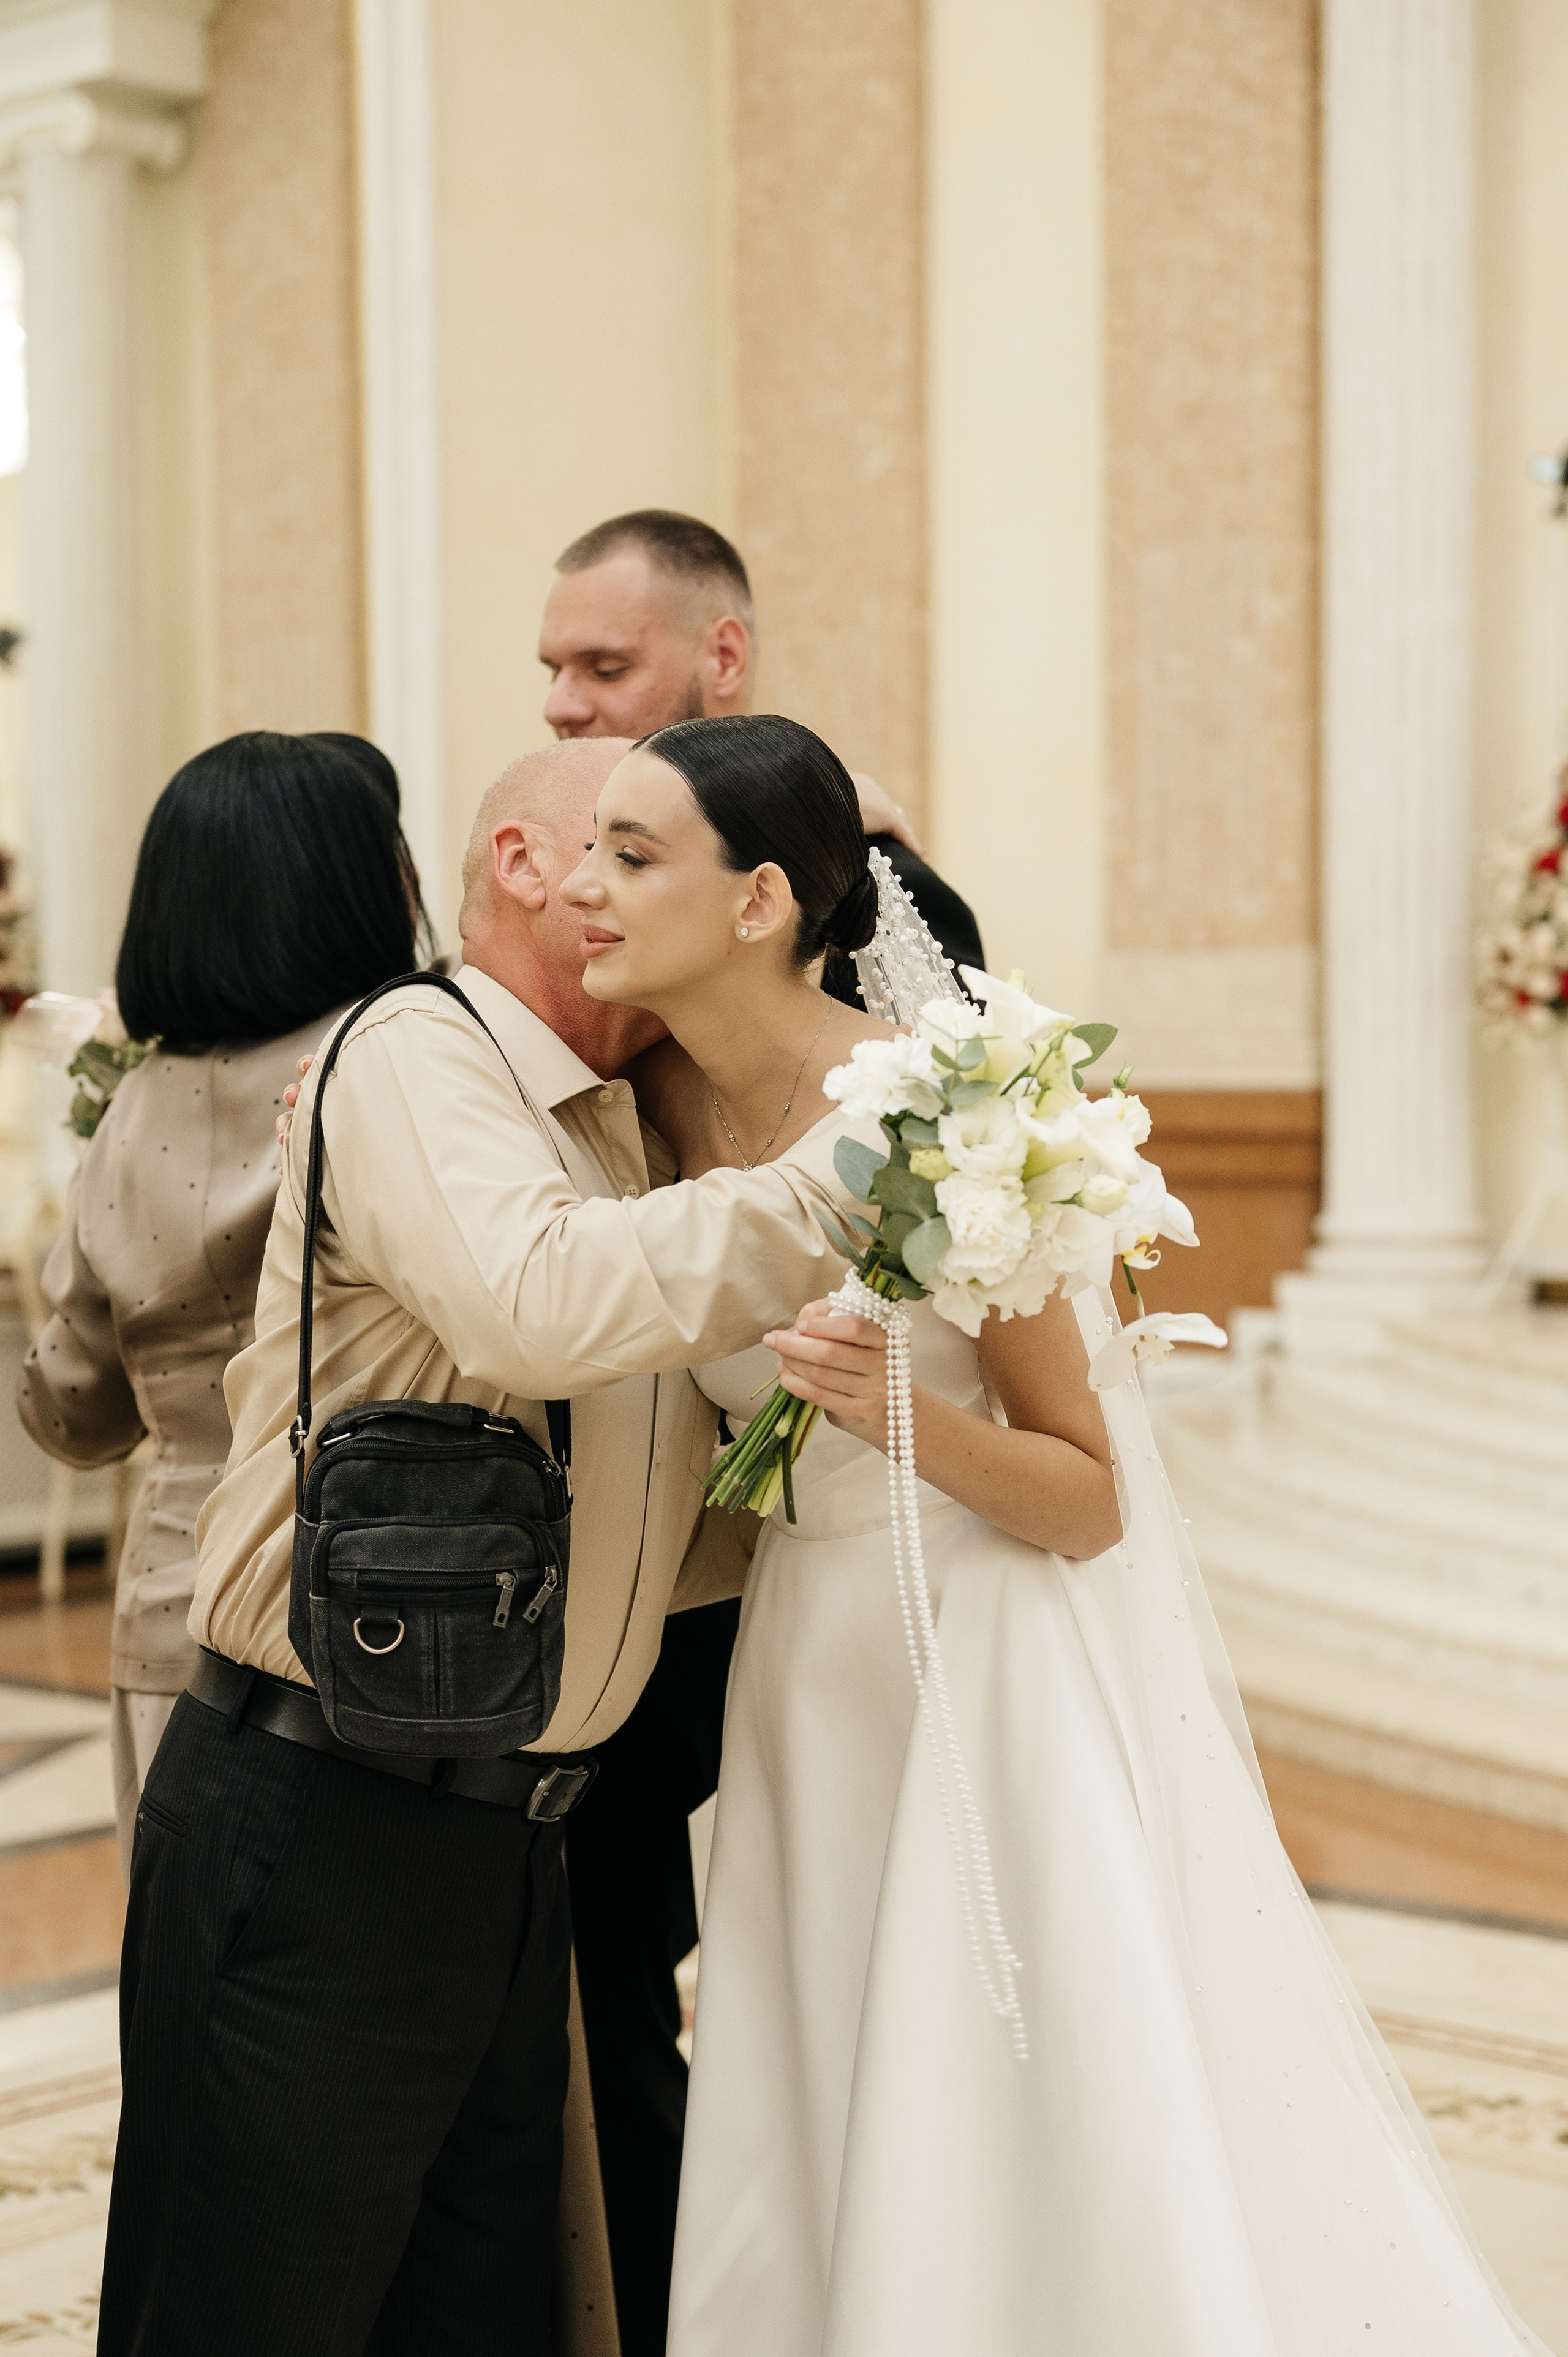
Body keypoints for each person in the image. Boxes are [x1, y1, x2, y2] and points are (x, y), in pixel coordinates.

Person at [559, 714, 1547, 2357]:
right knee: (815, 2060)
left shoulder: (945, 1113)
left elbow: (1089, 1496)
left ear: (759, 903)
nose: (586, 887)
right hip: (808, 1658)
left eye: (631, 854)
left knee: (1001, 2081)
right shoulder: (645, 1099)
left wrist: (900, 1417)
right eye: (592, 847)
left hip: (978, 1657)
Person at [95, 735, 873, 2357]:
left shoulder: (614, 1121)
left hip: (508, 1839)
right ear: (533, 869)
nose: (638, 890)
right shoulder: (412, 1055)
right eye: (629, 850)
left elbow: (654, 1492)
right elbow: (539, 1309)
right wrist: (867, 1160)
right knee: (250, 2315)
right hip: (324, 1817)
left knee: (482, 2315)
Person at [538, 508, 984, 2353]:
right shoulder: (610, 991)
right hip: (720, 1589)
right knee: (729, 1994)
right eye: (549, 673)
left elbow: (1013, 1269)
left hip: (917, 1590)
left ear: (719, 659)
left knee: (941, 1993)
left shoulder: (913, 999)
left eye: (604, 671)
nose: (565, 707)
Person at [16, 730, 431, 1874]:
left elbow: (70, 1416)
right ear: (355, 885)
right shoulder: (396, 1065)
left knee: (201, 2004)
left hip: (176, 1609)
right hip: (389, 1604)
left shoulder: (130, 1111)